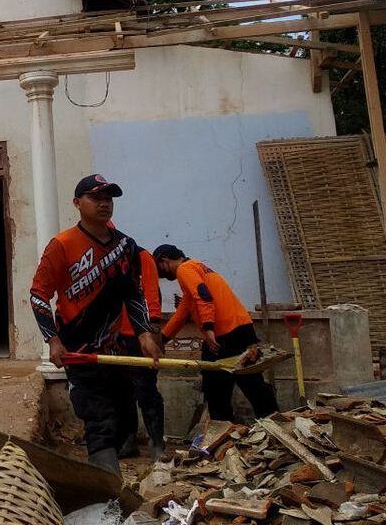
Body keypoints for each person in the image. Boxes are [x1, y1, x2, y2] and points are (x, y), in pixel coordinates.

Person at [30, 174, 162, 475]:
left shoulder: (126, 246)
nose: (104, 203)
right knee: (97, 418)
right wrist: (52, 340)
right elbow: (38, 295)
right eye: (95, 197)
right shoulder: (61, 245)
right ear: (77, 203)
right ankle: (108, 488)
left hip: (115, 349)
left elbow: (133, 294)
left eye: (109, 197)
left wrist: (143, 333)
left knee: (119, 411)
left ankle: (110, 480)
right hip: (79, 349)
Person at [153, 244, 278, 422]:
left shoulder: (184, 270)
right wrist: (162, 340)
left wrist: (209, 329)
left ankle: (222, 428)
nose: (163, 275)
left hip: (224, 334)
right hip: (242, 330)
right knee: (251, 384)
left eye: (160, 270)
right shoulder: (197, 267)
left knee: (217, 388)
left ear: (164, 261)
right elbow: (183, 313)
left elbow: (203, 295)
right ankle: (273, 422)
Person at [114, 242, 166, 461]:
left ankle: (157, 443)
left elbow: (152, 294)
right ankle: (129, 440)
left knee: (145, 389)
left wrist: (153, 330)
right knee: (121, 391)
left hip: (139, 335)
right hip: (114, 336)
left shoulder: (141, 256)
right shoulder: (100, 261)